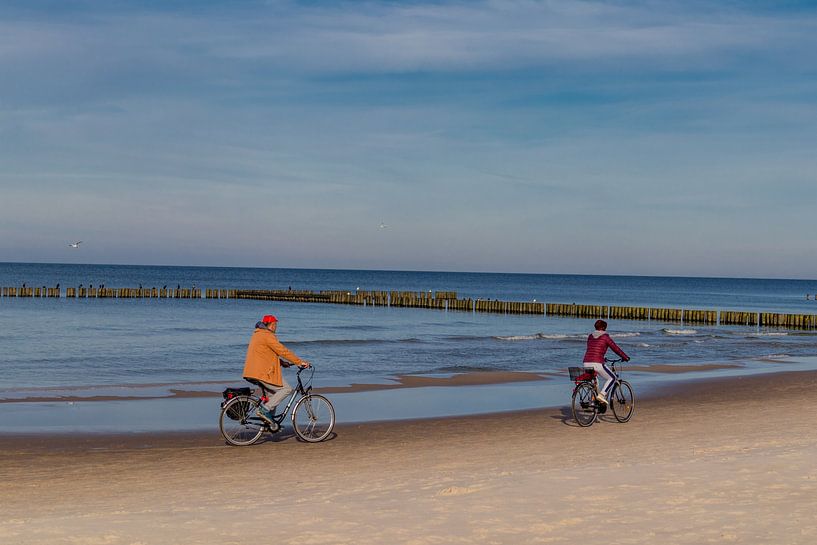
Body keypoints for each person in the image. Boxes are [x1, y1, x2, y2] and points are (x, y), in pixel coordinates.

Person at [242, 314, 310, 431]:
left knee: (273, 396)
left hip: (252, 372)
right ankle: (263, 410)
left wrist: (282, 363)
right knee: (286, 389)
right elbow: (282, 351)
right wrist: (299, 362)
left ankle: (269, 424)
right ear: (272, 325)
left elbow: (266, 354)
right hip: (263, 373)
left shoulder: (258, 334)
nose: (276, 327)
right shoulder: (267, 335)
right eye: (275, 324)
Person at [582, 319, 629, 406]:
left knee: (594, 381)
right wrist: (625, 357)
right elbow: (615, 348)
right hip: (597, 363)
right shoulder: (605, 337)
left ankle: (593, 400)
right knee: (613, 378)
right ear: (604, 328)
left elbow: (591, 349)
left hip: (586, 362)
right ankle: (602, 395)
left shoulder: (590, 336)